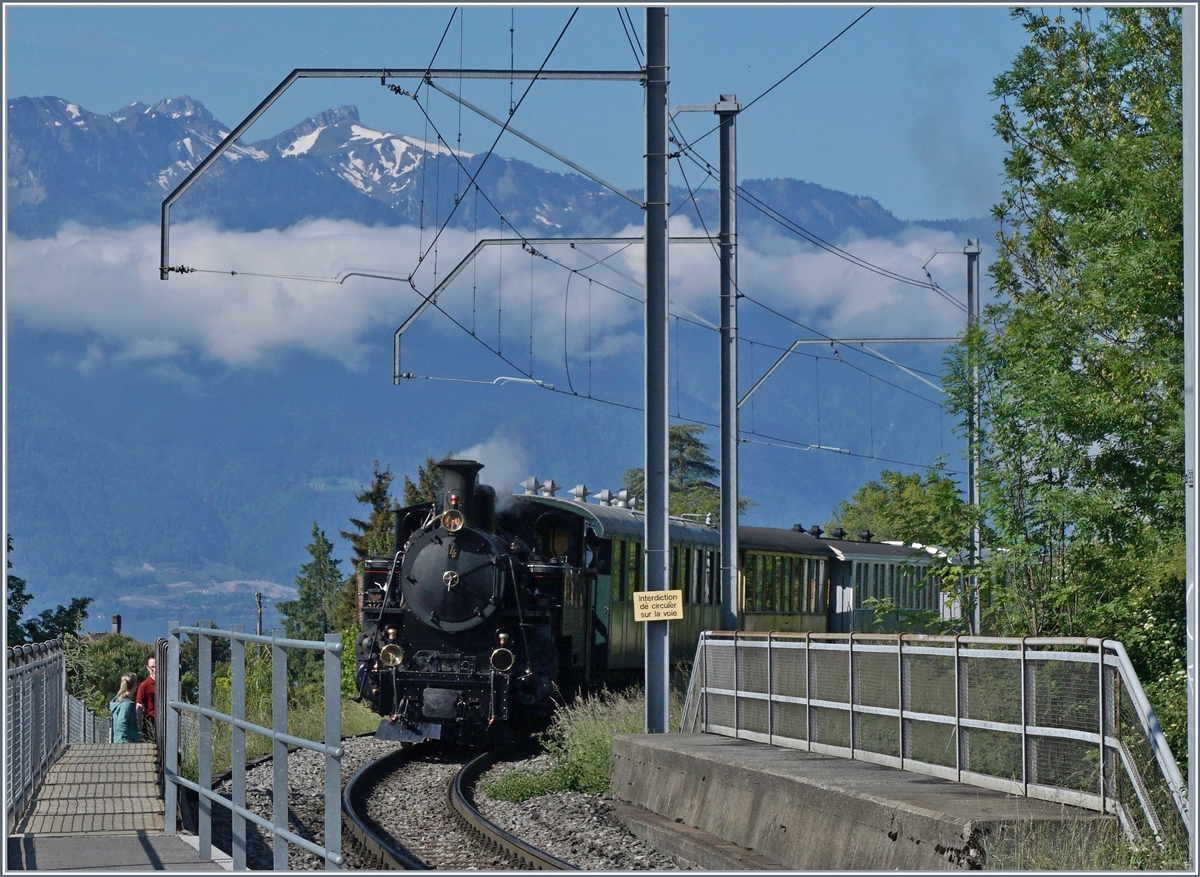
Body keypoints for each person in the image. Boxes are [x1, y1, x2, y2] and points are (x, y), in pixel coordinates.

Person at [110, 672, 140, 743]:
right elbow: (122, 724)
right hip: (126, 743)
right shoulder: (126, 705)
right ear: (135, 685)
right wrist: (126, 742)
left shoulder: (119, 701)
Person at [136, 657, 156, 742]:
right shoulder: (144, 686)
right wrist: (140, 729)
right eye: (152, 667)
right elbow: (139, 706)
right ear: (147, 668)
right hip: (150, 725)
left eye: (157, 666)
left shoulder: (167, 684)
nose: (155, 670)